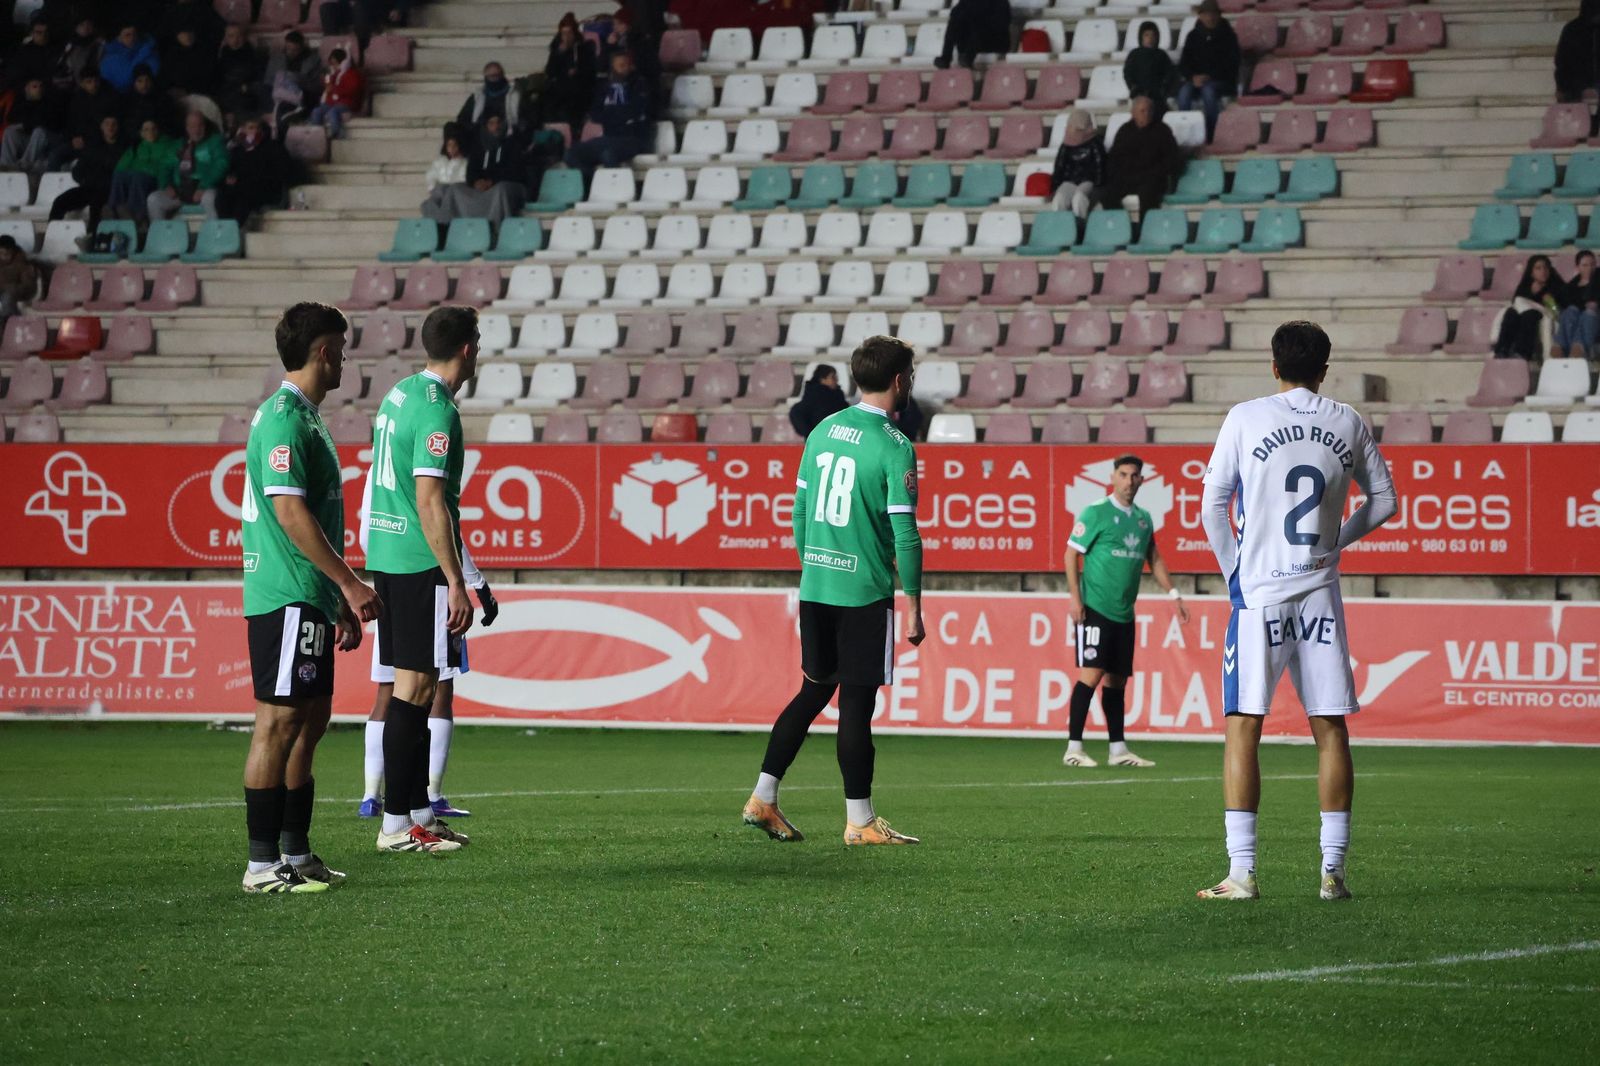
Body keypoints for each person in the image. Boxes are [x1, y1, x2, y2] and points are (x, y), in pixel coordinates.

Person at [1196, 320, 1398, 902]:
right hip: (1320, 592)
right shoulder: (1346, 420)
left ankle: (1243, 873)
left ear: (1274, 364)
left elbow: (1212, 506)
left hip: (1258, 595)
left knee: (1243, 727)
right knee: (1330, 727)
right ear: (1325, 368)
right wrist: (1338, 541)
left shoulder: (1246, 416)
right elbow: (1384, 501)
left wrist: (1235, 572)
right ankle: (1332, 872)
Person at [741, 335, 927, 847]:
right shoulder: (894, 445)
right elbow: (906, 536)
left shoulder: (822, 430)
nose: (910, 383)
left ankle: (763, 797)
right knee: (856, 706)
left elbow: (799, 513)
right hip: (863, 593)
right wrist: (913, 605)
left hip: (816, 587)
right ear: (898, 380)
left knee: (813, 689)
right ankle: (860, 822)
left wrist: (814, 566)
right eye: (910, 375)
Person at [238, 301, 382, 893]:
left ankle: (295, 853)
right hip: (284, 592)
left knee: (311, 721)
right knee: (278, 723)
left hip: (310, 596)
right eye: (341, 348)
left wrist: (336, 600)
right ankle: (260, 863)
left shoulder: (307, 416)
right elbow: (291, 513)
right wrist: (349, 582)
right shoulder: (283, 419)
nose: (345, 359)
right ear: (324, 351)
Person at [365, 305, 481, 855]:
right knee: (413, 691)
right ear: (468, 349)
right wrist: (456, 581)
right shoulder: (439, 413)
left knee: (416, 687)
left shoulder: (399, 393)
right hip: (418, 561)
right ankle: (396, 825)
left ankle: (415, 815)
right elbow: (431, 501)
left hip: (387, 555)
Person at [357, 472, 498, 821]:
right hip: (423, 575)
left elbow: (366, 532)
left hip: (388, 575)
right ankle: (425, 799)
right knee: (434, 691)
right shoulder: (424, 457)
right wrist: (471, 581)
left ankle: (372, 795)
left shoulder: (377, 470)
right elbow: (438, 518)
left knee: (388, 693)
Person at [1061, 455, 1190, 769]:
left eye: (1135, 475)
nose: (1129, 481)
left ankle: (1118, 750)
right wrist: (1075, 599)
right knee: (1090, 676)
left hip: (1124, 613)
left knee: (1117, 682)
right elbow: (1070, 554)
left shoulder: (1144, 519)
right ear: (1113, 477)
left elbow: (1154, 558)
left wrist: (1173, 593)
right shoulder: (1096, 513)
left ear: (1142, 480)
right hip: (1095, 608)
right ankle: (1073, 748)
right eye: (1123, 474)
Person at [422, 113, 527, 223]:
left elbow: (515, 171)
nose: (496, 127)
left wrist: (491, 182)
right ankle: (454, 230)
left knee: (501, 189)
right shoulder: (479, 145)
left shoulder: (512, 143)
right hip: (483, 188)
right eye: (491, 123)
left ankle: (496, 229)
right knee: (455, 189)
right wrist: (476, 182)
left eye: (499, 123)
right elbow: (472, 170)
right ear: (486, 126)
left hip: (507, 186)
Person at [565, 50, 654, 179]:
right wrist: (618, 115)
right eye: (620, 66)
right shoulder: (604, 88)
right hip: (608, 137)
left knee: (608, 154)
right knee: (571, 154)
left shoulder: (639, 85)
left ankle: (615, 188)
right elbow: (595, 114)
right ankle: (594, 180)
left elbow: (636, 110)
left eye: (626, 65)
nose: (624, 69)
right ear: (612, 67)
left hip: (633, 139)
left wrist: (611, 115)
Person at [1101, 95, 1183, 213]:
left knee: (1148, 194)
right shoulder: (1124, 130)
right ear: (1133, 113)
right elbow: (1115, 157)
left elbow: (1172, 159)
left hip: (1152, 177)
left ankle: (1145, 229)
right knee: (1108, 194)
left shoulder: (1162, 130)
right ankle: (1121, 227)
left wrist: (1157, 172)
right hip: (1128, 176)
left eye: (1149, 110)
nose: (1146, 114)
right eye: (1142, 111)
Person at [147, 110, 229, 222]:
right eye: (192, 126)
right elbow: (164, 166)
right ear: (187, 128)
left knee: (209, 198)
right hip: (180, 191)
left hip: (205, 189)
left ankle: (214, 236)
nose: (196, 130)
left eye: (200, 125)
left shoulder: (215, 141)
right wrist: (166, 185)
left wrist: (203, 186)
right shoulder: (178, 145)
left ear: (205, 126)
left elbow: (221, 164)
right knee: (154, 199)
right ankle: (161, 237)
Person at [50, 113, 124, 232]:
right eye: (107, 124)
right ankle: (51, 233)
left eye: (114, 124)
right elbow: (78, 170)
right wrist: (85, 179)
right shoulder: (93, 147)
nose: (110, 127)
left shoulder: (123, 149)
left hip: (110, 190)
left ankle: (91, 238)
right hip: (89, 187)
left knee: (96, 205)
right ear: (102, 127)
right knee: (59, 201)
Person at [1177, 0, 1240, 138]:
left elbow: (1232, 65)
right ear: (1200, 16)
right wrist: (1192, 77)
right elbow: (1184, 63)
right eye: (1206, 14)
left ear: (1219, 16)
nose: (1210, 18)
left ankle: (1212, 134)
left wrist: (1209, 77)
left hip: (1221, 81)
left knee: (1208, 92)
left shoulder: (1229, 37)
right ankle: (1186, 133)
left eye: (1213, 14)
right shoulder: (1192, 37)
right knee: (1183, 93)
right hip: (1195, 80)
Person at [217, 118, 289, 223]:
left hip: (263, 189)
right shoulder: (237, 150)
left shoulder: (271, 147)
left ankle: (237, 230)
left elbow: (277, 173)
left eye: (257, 128)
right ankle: (225, 229)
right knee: (222, 197)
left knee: (243, 199)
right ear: (243, 130)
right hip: (240, 187)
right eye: (251, 128)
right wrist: (229, 178)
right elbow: (230, 169)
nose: (255, 131)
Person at [1493, 255, 1562, 360]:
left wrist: (1550, 302)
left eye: (1545, 268)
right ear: (1531, 272)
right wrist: (1531, 292)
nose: (1543, 271)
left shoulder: (1556, 285)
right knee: (1511, 313)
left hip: (1546, 318)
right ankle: (1502, 350)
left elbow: (1558, 312)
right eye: (1538, 268)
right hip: (1522, 314)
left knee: (1530, 314)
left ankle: (1522, 353)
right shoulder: (1525, 286)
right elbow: (1517, 302)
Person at [108, 118, 178, 221]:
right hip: (136, 177)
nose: (150, 132)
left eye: (153, 129)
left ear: (158, 130)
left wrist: (144, 170)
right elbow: (120, 167)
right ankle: (116, 209)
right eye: (146, 129)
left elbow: (166, 166)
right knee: (119, 175)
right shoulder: (136, 147)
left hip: (155, 178)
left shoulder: (169, 145)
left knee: (138, 176)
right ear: (141, 133)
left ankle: (138, 215)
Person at [543, 16, 596, 135]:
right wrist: (560, 54)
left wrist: (578, 71)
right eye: (564, 33)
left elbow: (590, 69)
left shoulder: (583, 48)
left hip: (580, 87)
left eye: (569, 32)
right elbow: (550, 71)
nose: (567, 36)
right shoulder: (556, 49)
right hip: (561, 88)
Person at [0, 77, 66, 172]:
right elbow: (12, 118)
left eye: (40, 86)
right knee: (10, 132)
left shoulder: (49, 102)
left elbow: (47, 123)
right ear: (27, 89)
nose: (38, 89)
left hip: (48, 141)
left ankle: (23, 165)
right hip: (29, 141)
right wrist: (26, 124)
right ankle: (5, 165)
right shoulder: (21, 102)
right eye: (34, 86)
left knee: (39, 131)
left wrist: (26, 125)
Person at [1049, 108, 1105, 218]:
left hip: (1088, 180)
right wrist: (1055, 186)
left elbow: (1100, 166)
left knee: (1079, 198)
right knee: (1059, 199)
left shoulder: (1095, 144)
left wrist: (1098, 187)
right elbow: (1060, 166)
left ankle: (1082, 227)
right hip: (1069, 181)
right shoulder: (1065, 145)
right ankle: (1061, 227)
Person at [263, 31, 321, 136]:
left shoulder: (313, 61)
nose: (291, 52)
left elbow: (316, 86)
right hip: (278, 99)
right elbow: (268, 83)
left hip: (302, 98)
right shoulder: (276, 60)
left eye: (295, 50)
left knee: (283, 115)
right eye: (288, 49)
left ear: (302, 48)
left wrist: (299, 80)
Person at [455, 62, 524, 146]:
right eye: (491, 76)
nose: (495, 79)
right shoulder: (478, 96)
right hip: (481, 142)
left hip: (508, 141)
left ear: (502, 75)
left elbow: (522, 119)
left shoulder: (515, 95)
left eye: (497, 75)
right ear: (486, 77)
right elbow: (463, 119)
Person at [934, 0, 1012, 71]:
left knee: (979, 18)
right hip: (971, 43)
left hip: (994, 41)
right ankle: (946, 57)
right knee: (956, 15)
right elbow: (955, 14)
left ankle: (967, 57)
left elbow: (1000, 25)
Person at [213, 24, 265, 126]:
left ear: (244, 37)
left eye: (239, 36)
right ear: (226, 38)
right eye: (231, 36)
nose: (235, 40)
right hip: (226, 93)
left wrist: (247, 86)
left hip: (246, 94)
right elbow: (219, 78)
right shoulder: (223, 55)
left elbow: (256, 76)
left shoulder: (252, 54)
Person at [310, 48, 365, 141]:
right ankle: (316, 135)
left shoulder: (352, 74)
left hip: (348, 103)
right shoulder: (334, 74)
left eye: (335, 63)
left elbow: (352, 90)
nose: (334, 66)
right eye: (332, 64)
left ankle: (337, 133)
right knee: (317, 111)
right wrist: (326, 78)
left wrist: (334, 89)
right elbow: (328, 84)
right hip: (333, 103)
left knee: (333, 112)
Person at [1555, 250, 1599, 358]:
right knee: (1571, 311)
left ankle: (1568, 346)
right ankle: (1575, 350)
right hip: (1576, 320)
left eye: (1592, 264)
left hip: (1595, 319)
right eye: (1585, 265)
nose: (1589, 268)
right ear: (1577, 267)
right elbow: (1561, 303)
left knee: (1588, 314)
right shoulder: (1570, 287)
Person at [1555, 0, 1600, 104]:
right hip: (1575, 89)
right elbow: (1562, 62)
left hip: (1576, 87)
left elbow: (1561, 62)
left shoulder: (1572, 28)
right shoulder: (1572, 29)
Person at [788, 364, 848, 438]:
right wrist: (810, 433)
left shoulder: (837, 395)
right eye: (832, 377)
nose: (836, 380)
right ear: (822, 379)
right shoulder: (813, 396)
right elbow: (797, 413)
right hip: (819, 440)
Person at [420, 127, 469, 217]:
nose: (452, 148)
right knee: (426, 205)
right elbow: (431, 176)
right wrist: (433, 188)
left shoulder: (464, 163)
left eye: (455, 145)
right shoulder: (440, 161)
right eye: (449, 145)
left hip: (454, 198)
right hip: (439, 194)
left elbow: (462, 181)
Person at [1124, 21, 1176, 106]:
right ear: (1141, 37)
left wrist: (1163, 89)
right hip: (1139, 95)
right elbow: (1128, 73)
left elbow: (1169, 74)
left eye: (1153, 35)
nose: (1150, 38)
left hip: (1158, 96)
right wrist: (1134, 88)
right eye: (1146, 35)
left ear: (1157, 37)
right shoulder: (1134, 54)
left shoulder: (1162, 55)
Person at [100, 23, 161, 94]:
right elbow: (123, 81)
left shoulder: (148, 51)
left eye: (134, 34)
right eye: (127, 35)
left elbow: (152, 75)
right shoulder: (109, 59)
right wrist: (141, 55)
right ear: (119, 38)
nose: (132, 38)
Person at [160, 27, 216, 100]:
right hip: (178, 98)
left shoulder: (205, 52)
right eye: (183, 33)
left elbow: (210, 77)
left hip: (203, 96)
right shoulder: (171, 55)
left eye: (189, 32)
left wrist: (188, 91)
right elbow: (164, 78)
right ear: (177, 36)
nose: (187, 36)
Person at [121, 64, 178, 136]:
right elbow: (126, 126)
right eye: (140, 81)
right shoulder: (128, 101)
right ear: (134, 83)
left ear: (152, 81)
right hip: (139, 142)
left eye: (147, 80)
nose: (144, 85)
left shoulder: (164, 99)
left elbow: (171, 123)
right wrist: (141, 133)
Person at [0, 236, 38, 325]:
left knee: (8, 296)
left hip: (15, 292)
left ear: (13, 252)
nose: (3, 256)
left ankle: (9, 323)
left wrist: (10, 288)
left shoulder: (22, 264)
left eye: (6, 253)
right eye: (1, 253)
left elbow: (28, 286)